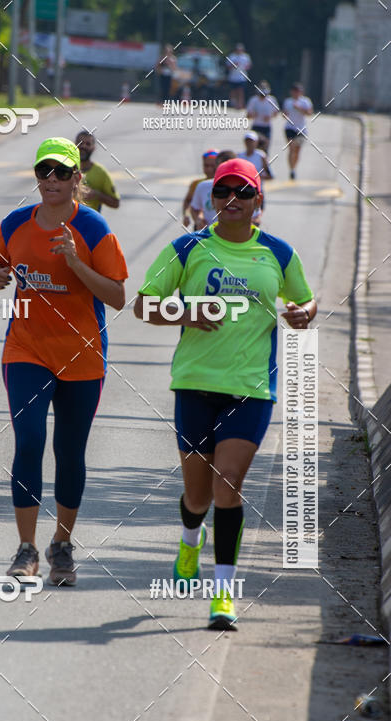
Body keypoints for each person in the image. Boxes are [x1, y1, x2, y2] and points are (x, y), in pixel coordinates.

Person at [134, 158, 316, 630]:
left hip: (251, 388)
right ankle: (189, 539)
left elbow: (304, 298)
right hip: (195, 384)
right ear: (211, 199)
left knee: (228, 485)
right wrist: (184, 313)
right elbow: (143, 303)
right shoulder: (187, 247)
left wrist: (304, 313)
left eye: (242, 192)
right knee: (197, 496)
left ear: (259, 202)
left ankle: (223, 595)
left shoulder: (277, 253)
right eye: (222, 192)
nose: (231, 200)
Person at [0, 137, 128, 585]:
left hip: (82, 357)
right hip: (26, 350)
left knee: (69, 452)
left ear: (76, 179)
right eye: (43, 171)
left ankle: (61, 545)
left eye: (61, 172)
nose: (51, 180)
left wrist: (75, 262)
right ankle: (26, 549)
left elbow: (118, 297)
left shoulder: (93, 230)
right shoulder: (15, 223)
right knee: (28, 441)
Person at [75, 130, 120, 214]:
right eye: (80, 143)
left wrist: (96, 195)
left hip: (90, 223)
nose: (83, 146)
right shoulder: (65, 169)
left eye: (88, 144)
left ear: (93, 148)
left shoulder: (100, 172)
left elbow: (116, 203)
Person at [190, 150, 235, 229]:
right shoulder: (203, 186)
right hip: (209, 237)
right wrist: (198, 219)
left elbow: (255, 215)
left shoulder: (245, 191)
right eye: (223, 167)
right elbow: (194, 207)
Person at [238, 130, 272, 226]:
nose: (249, 143)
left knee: (255, 220)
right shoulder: (240, 156)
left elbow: (270, 175)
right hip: (243, 191)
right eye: (247, 141)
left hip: (257, 190)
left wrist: (258, 176)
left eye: (251, 141)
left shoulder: (261, 156)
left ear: (256, 142)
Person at [282, 83, 313, 180]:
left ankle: (294, 167)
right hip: (289, 128)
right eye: (294, 91)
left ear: (301, 92)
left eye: (298, 91)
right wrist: (285, 114)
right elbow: (284, 114)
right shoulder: (288, 101)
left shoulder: (305, 101)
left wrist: (299, 108)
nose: (296, 93)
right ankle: (291, 170)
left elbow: (309, 113)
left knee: (297, 151)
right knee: (291, 148)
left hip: (301, 129)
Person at [182, 149, 218, 228]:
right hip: (201, 228)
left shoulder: (227, 184)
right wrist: (186, 215)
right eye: (206, 165)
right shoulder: (197, 184)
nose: (209, 169)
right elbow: (188, 201)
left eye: (212, 166)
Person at [246, 81, 279, 150]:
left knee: (265, 148)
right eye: (261, 95)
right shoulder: (253, 100)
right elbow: (248, 116)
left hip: (266, 127)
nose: (263, 97)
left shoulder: (272, 100)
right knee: (254, 148)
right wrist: (253, 115)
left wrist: (269, 117)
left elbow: (276, 113)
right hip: (256, 126)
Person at [226, 43, 251, 110]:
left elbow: (248, 66)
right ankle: (233, 104)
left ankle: (240, 105)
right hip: (233, 77)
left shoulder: (245, 57)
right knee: (233, 91)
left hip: (242, 77)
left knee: (241, 91)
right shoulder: (232, 56)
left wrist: (246, 67)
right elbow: (228, 66)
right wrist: (233, 65)